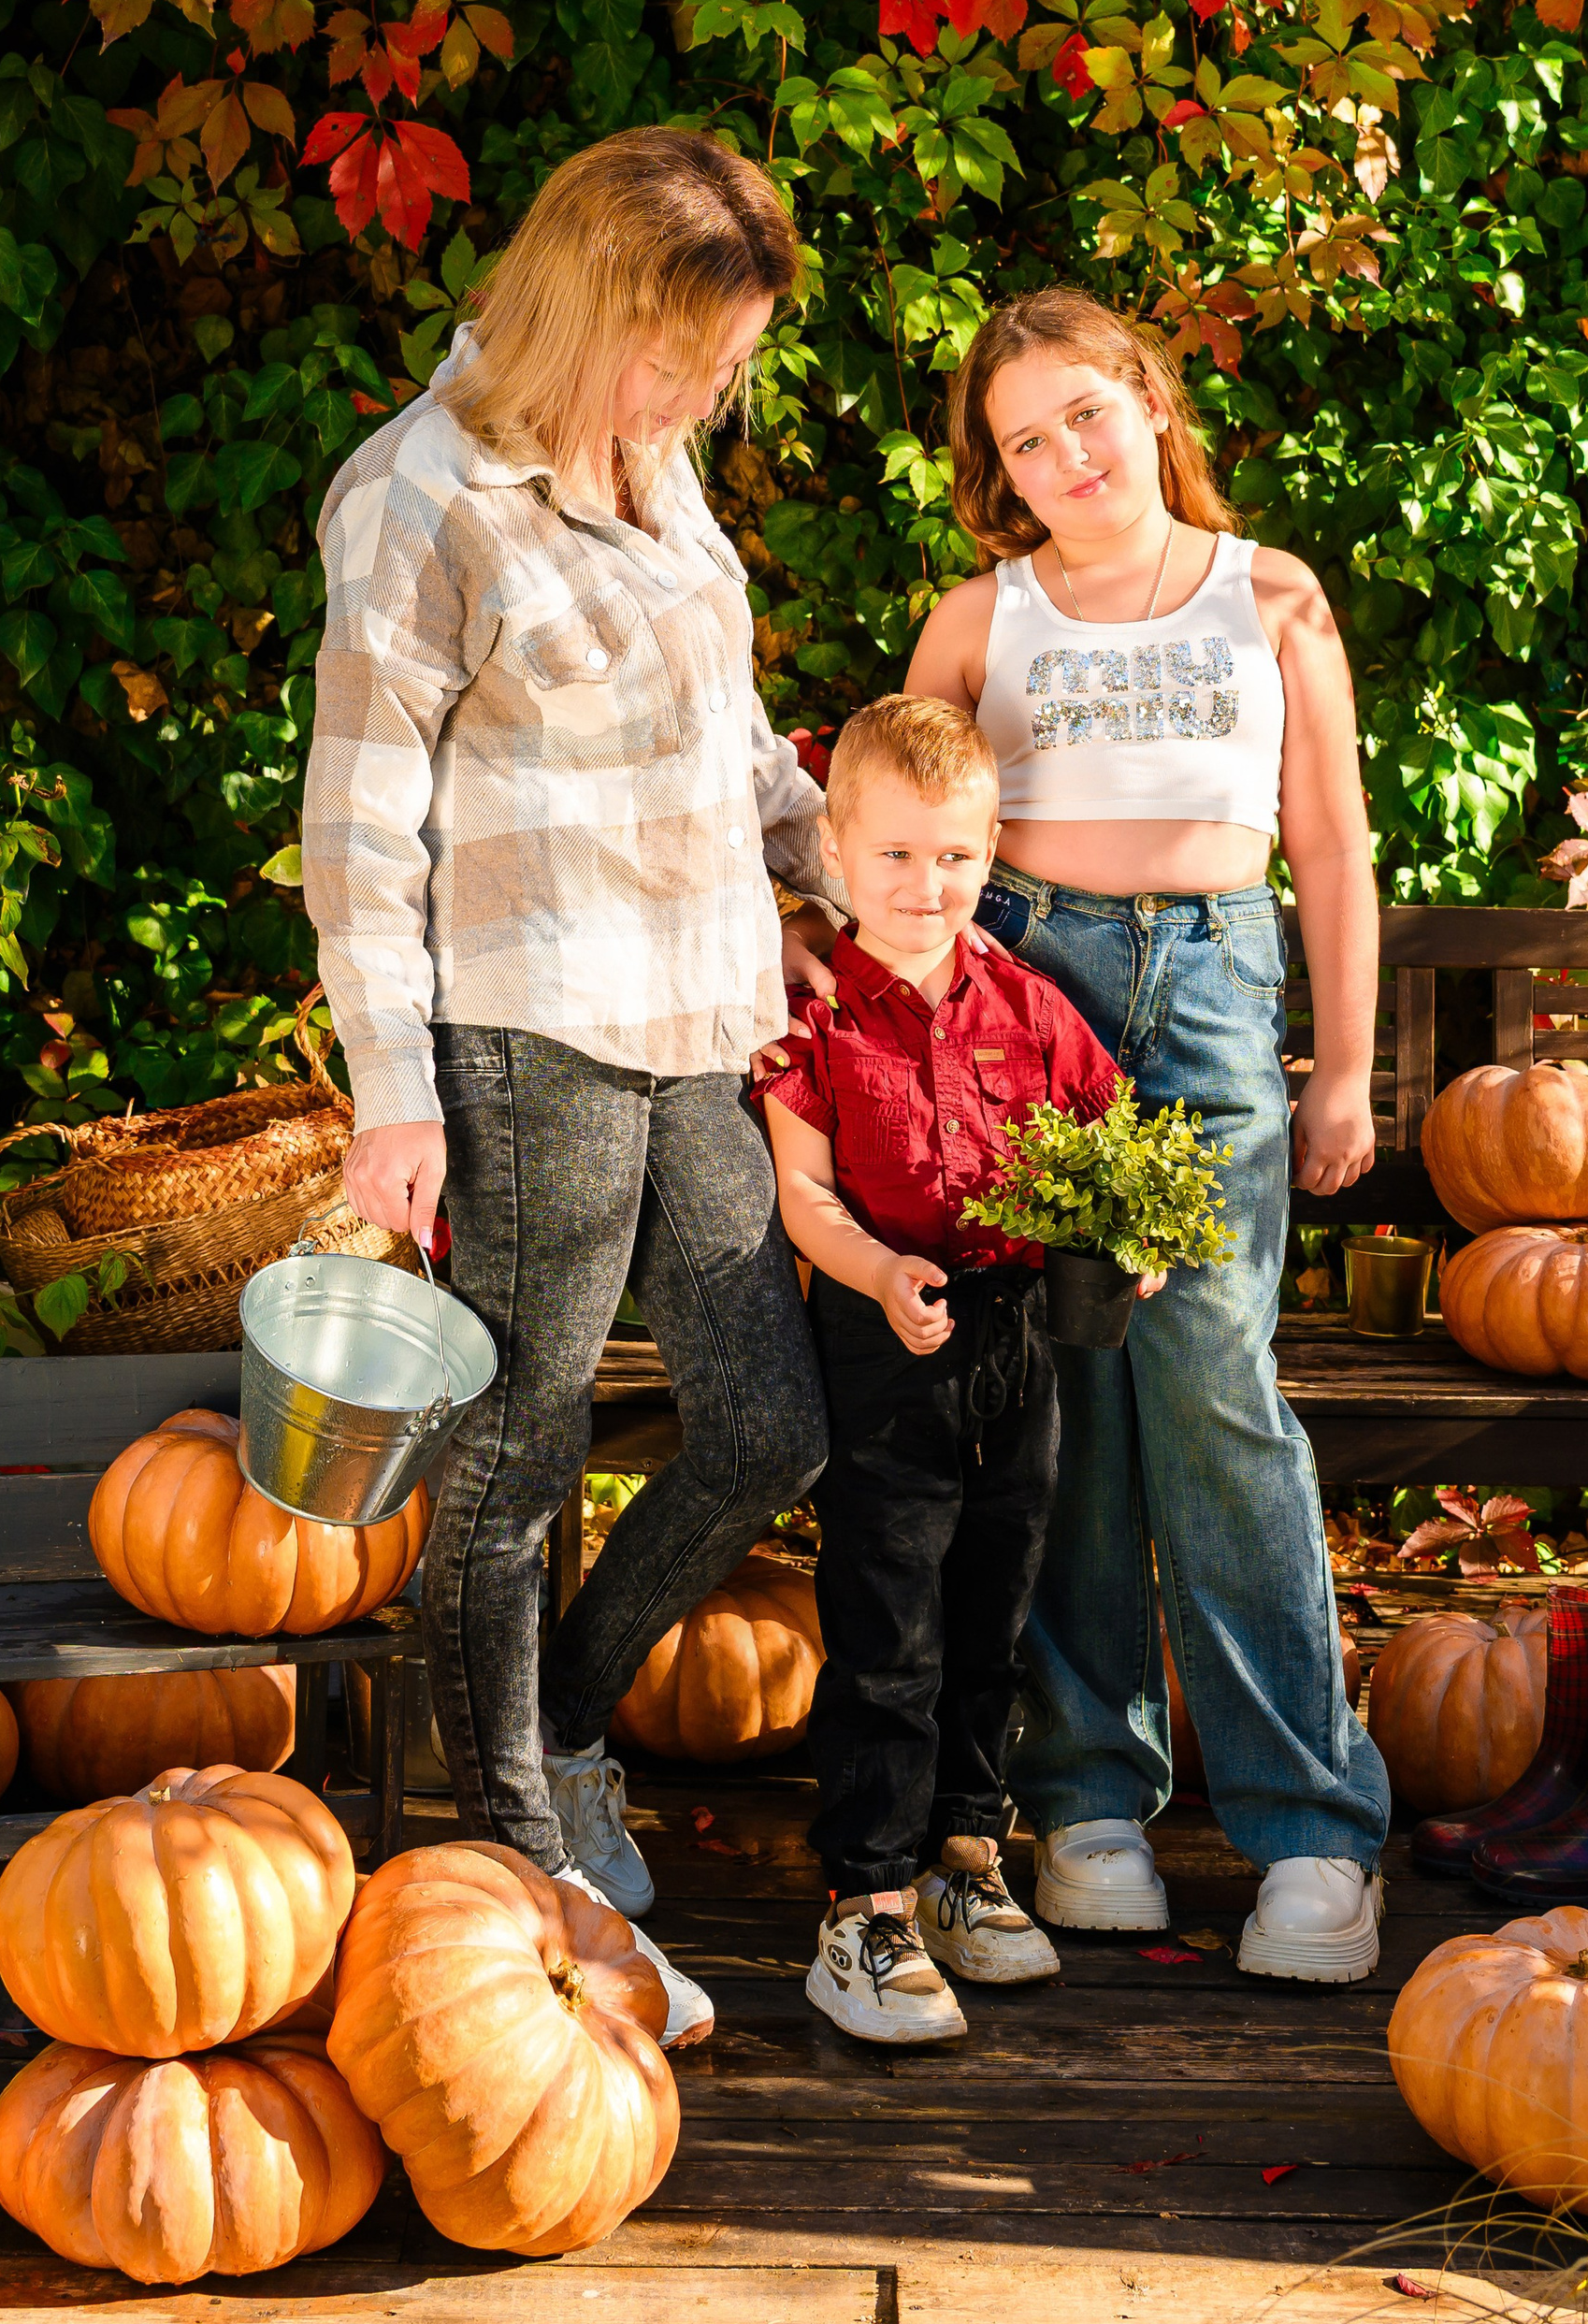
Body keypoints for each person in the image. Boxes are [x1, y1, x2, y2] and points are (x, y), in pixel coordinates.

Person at [303, 127, 848, 2052]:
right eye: (679, 359)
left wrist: (831, 867)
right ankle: (520, 1855)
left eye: (723, 370)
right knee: (517, 1453)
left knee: (770, 1426)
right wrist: (393, 1091)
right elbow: (359, 831)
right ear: (588, 304)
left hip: (696, 1016)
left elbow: (719, 736)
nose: (703, 397)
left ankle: (552, 1720)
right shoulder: (422, 501)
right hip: (525, 1033)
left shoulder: (655, 463)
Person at [902, 287, 1392, 1981]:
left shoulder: (1274, 597)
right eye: (1023, 442)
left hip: (1212, 990)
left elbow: (1330, 842)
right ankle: (1091, 1798)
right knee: (1063, 1390)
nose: (1063, 459)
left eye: (1084, 415)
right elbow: (904, 847)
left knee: (1212, 1379)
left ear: (1149, 400)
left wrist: (1343, 1066)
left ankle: (1314, 1830)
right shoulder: (981, 623)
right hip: (1029, 987)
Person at [759, 695, 1158, 2045]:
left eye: (956, 859)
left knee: (995, 1610)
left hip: (1018, 1338)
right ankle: (861, 1907)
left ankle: (965, 1865)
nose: (928, 887)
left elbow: (1114, 1146)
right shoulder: (815, 1023)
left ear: (991, 852)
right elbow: (804, 1192)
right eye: (896, 859)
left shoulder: (1032, 1009)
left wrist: (1130, 1239)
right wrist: (876, 1272)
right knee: (890, 1626)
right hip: (887, 1337)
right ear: (834, 847)